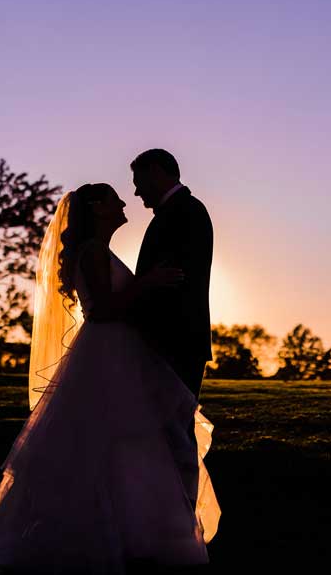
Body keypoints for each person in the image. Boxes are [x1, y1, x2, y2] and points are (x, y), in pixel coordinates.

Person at [0, 182, 220, 574]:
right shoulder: (90, 253)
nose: (124, 202)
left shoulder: (99, 251)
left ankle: (131, 532)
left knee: (126, 444)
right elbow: (104, 309)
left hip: (119, 354)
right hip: (106, 354)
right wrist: (147, 283)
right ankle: (91, 534)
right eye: (113, 199)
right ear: (96, 208)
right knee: (102, 443)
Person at [130, 148, 214, 509]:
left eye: (139, 183)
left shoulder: (186, 212)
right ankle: (167, 513)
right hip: (168, 339)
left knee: (174, 431)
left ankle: (180, 517)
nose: (136, 193)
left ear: (159, 173)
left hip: (175, 339)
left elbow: (174, 282)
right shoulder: (173, 213)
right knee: (162, 431)